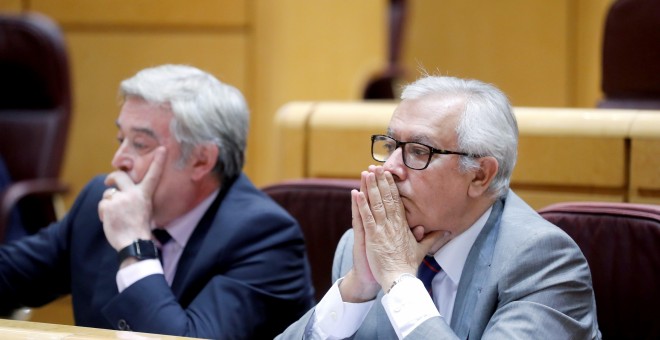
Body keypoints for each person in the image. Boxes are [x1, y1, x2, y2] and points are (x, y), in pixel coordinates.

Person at [0, 64, 314, 339]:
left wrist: (134, 247)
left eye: (139, 144)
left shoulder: (264, 238)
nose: (118, 159)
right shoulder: (100, 202)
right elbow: (10, 276)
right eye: (121, 139)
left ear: (201, 160)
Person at [278, 75, 601, 339]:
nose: (390, 167)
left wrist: (399, 281)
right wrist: (358, 287)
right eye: (390, 146)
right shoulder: (363, 246)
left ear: (480, 175)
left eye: (418, 151)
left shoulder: (542, 262)